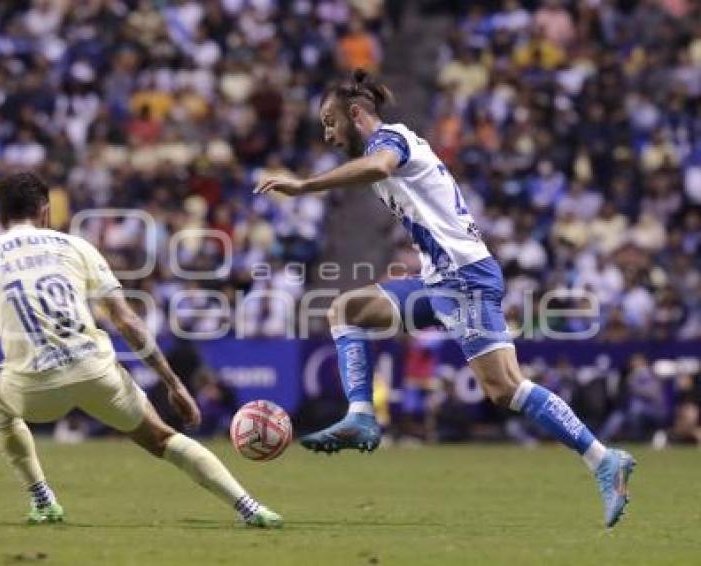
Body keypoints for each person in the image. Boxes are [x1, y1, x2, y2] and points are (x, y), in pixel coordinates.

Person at [254, 69, 635, 528]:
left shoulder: (389, 142)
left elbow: (378, 167)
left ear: (356, 114)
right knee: (345, 310)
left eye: (330, 122)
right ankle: (361, 416)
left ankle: (602, 459)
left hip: (465, 278)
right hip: (439, 281)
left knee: (504, 388)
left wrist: (304, 185)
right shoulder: (387, 150)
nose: (328, 134)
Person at [0, 171, 281, 528]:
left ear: (0, 216)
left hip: (33, 387)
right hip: (95, 372)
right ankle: (250, 506)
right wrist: (173, 383)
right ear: (45, 211)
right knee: (163, 439)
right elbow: (126, 321)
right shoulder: (75, 246)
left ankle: (42, 500)